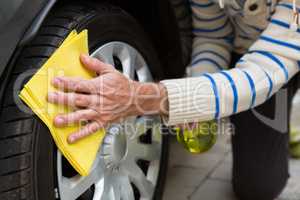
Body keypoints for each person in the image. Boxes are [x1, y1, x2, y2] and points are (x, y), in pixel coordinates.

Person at [47, 0, 300, 199]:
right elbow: (213, 37)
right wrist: (194, 95)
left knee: (261, 190)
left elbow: (264, 72)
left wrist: (143, 97)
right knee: (255, 185)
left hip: (278, 57)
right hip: (245, 51)